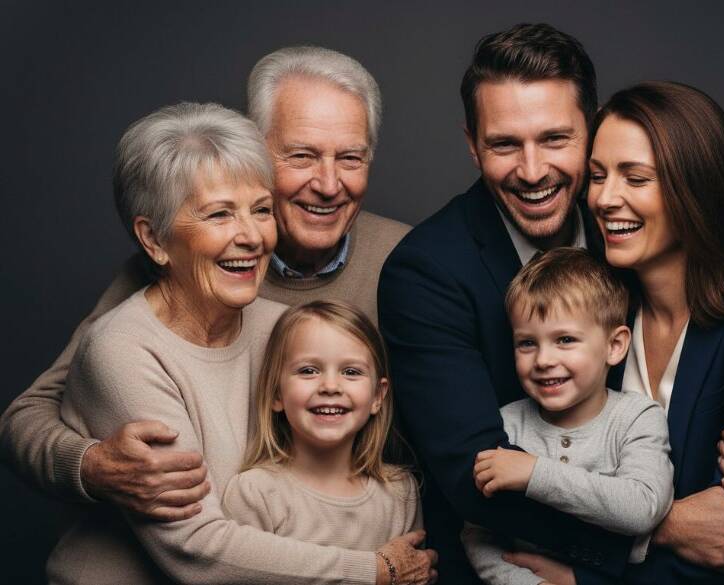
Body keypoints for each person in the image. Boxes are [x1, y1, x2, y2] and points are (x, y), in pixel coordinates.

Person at [378, 23, 724, 585]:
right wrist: (659, 525)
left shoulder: (625, 242)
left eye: (555, 139)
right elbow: (476, 477)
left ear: (590, 130)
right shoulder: (428, 271)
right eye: (504, 143)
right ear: (472, 145)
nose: (532, 170)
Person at [0, 46, 410, 526]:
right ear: (253, 153)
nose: (328, 183)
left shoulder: (408, 261)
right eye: (301, 156)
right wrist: (93, 465)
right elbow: (25, 417)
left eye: (350, 158)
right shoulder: (178, 268)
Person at [45, 102, 434, 585]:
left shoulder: (283, 328)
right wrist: (374, 570)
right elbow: (195, 550)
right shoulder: (122, 350)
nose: (251, 236)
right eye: (219, 214)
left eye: (261, 209)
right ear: (154, 240)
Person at [461, 248, 673, 585]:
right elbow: (478, 533)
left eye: (565, 339)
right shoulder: (504, 425)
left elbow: (642, 506)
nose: (543, 359)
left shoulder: (637, 418)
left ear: (614, 345)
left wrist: (534, 472)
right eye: (527, 343)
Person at [223, 300, 433, 585]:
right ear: (276, 394)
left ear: (377, 397)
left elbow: (413, 575)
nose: (330, 386)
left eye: (351, 372)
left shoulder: (400, 491)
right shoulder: (255, 494)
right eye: (309, 370)